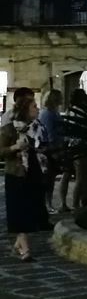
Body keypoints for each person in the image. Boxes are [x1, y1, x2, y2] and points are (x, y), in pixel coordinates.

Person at [1, 93, 46, 261]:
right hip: (17, 173)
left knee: (30, 210)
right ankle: (25, 249)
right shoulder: (10, 129)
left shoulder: (38, 127)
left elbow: (43, 145)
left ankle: (18, 244)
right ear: (26, 110)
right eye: (34, 106)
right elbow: (1, 151)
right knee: (19, 211)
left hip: (34, 173)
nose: (37, 109)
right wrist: (15, 147)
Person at [39, 90, 69, 214]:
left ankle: (48, 203)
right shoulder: (48, 114)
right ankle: (47, 204)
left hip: (54, 148)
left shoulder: (53, 113)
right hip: (50, 150)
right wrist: (55, 151)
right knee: (48, 179)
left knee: (50, 179)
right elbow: (50, 133)